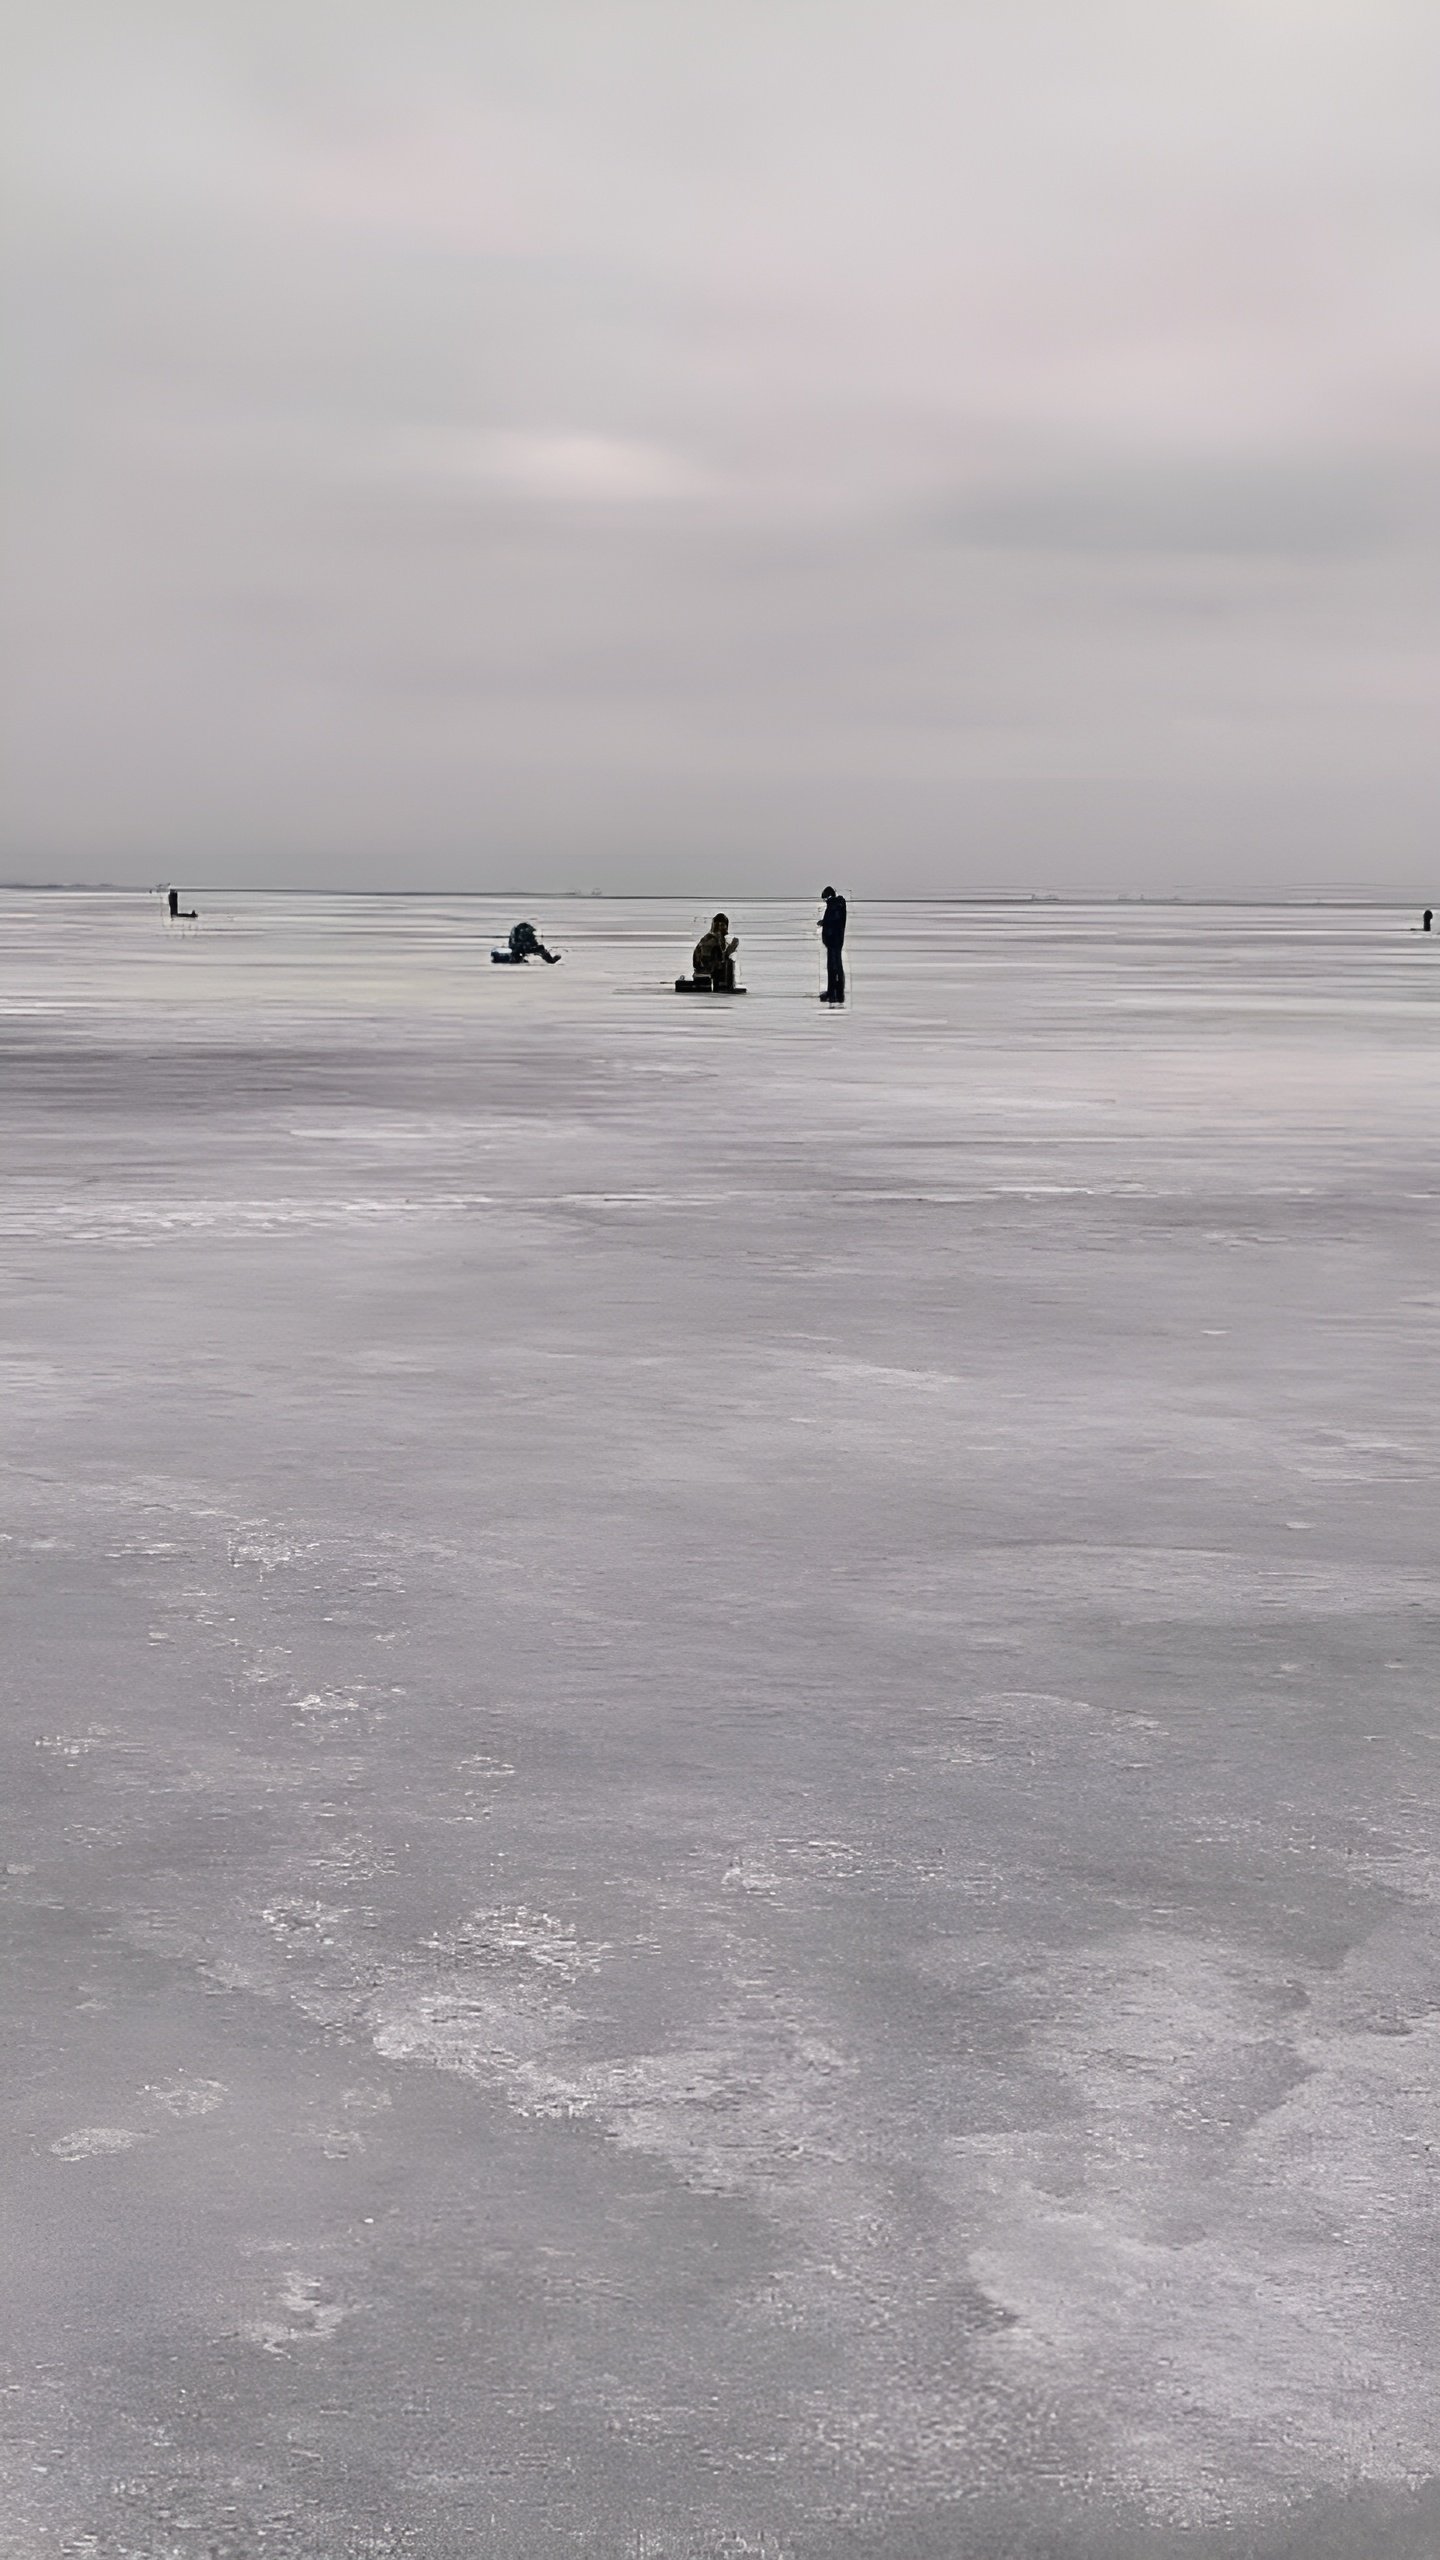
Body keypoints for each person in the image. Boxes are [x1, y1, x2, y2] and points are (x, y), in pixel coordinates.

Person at [691, 913, 738, 990]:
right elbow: (707, 961)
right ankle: (724, 985)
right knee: (728, 962)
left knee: (728, 962)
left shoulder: (716, 939)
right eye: (721, 925)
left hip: (707, 972)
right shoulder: (711, 940)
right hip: (705, 974)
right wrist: (729, 950)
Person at [819, 885, 847, 1003]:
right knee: (834, 966)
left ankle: (836, 992)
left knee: (834, 966)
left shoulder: (834, 906)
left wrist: (824, 922)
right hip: (834, 941)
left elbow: (834, 921)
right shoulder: (836, 905)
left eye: (825, 899)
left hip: (834, 940)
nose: (825, 902)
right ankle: (834, 991)